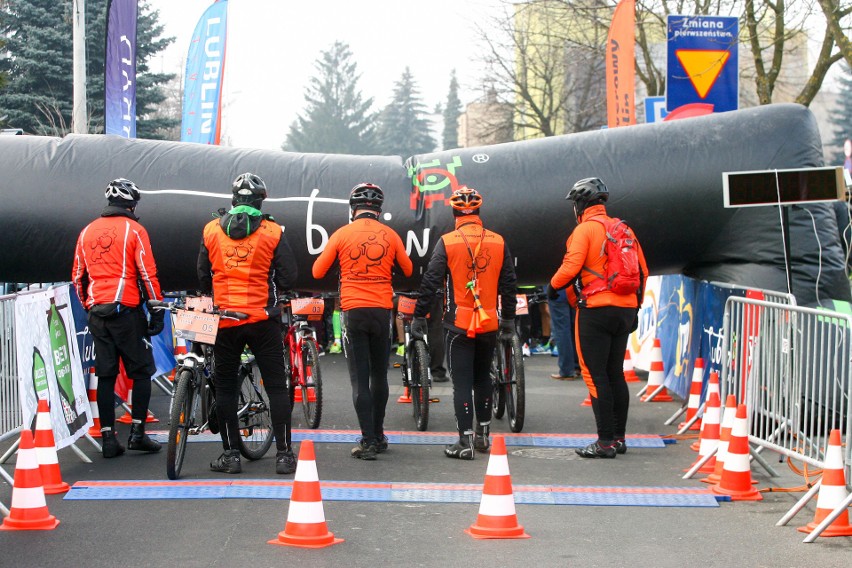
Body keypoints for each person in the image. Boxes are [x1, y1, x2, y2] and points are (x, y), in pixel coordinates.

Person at [198, 172, 298, 475]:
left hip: (226, 320)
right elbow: (289, 275)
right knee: (277, 387)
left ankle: (230, 456)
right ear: (260, 200)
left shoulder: (211, 229)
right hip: (262, 318)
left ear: (233, 200)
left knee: (225, 388)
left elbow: (203, 275)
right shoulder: (272, 231)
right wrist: (278, 299)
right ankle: (283, 455)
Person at [412, 186, 517, 460]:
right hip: (489, 323)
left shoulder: (448, 241)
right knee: (483, 379)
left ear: (455, 211)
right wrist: (508, 320)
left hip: (458, 324)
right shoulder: (498, 241)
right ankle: (483, 437)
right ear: (479, 211)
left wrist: (418, 316)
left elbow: (431, 281)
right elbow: (509, 284)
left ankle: (464, 442)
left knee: (462, 383)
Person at [548, 177, 648, 459]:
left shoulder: (585, 229)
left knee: (595, 375)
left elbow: (571, 267)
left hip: (596, 309)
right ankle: (618, 438)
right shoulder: (624, 228)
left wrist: (552, 286)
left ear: (580, 204)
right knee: (615, 373)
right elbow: (643, 271)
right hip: (626, 308)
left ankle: (604, 442)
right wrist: (636, 307)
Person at [312, 183, 413, 460]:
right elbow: (408, 269)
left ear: (353, 209)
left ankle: (367, 441)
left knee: (360, 379)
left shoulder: (342, 234)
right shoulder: (390, 235)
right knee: (379, 376)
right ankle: (379, 436)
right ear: (379, 210)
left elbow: (317, 271)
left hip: (353, 310)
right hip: (382, 310)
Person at [71, 178, 164, 458]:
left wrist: (88, 305)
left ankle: (109, 439)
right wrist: (156, 310)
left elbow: (77, 276)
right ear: (131, 204)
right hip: (126, 310)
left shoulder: (86, 231)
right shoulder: (135, 230)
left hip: (98, 310)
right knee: (141, 371)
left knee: (106, 374)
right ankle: (138, 433)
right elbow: (147, 273)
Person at [548, 288, 581, 380]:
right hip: (574, 291)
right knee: (575, 329)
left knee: (562, 331)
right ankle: (577, 365)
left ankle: (567, 370)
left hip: (557, 291)